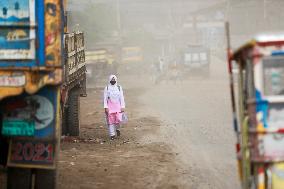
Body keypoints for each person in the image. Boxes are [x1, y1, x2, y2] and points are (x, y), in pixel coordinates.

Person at [103, 75, 126, 140]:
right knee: (111, 121)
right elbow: (105, 99)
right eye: (111, 80)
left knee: (118, 119)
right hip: (110, 107)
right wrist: (105, 107)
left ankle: (118, 129)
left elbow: (121, 97)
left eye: (114, 80)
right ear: (109, 80)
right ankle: (112, 134)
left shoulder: (119, 87)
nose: (113, 81)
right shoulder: (107, 88)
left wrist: (122, 106)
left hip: (118, 107)